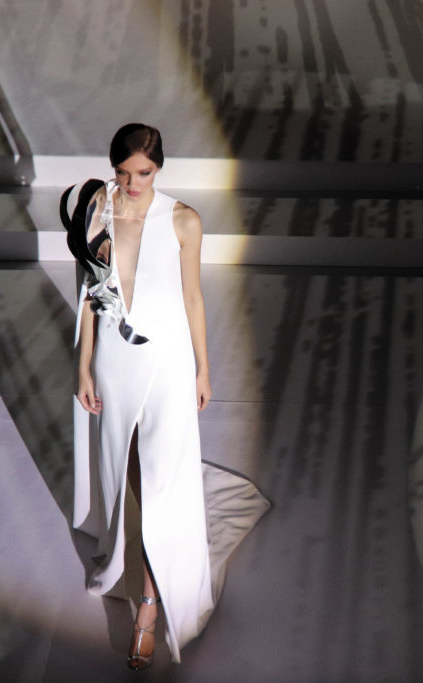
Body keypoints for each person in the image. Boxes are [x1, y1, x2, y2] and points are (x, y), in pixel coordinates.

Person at [68, 123, 267, 670]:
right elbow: (91, 294)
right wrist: (83, 366)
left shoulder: (183, 220)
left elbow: (194, 298)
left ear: (159, 168)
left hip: (169, 361)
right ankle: (128, 550)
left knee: (160, 477)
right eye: (124, 172)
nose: (133, 183)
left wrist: (203, 368)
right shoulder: (98, 211)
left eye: (145, 173)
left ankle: (149, 607)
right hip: (115, 358)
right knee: (127, 467)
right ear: (113, 168)